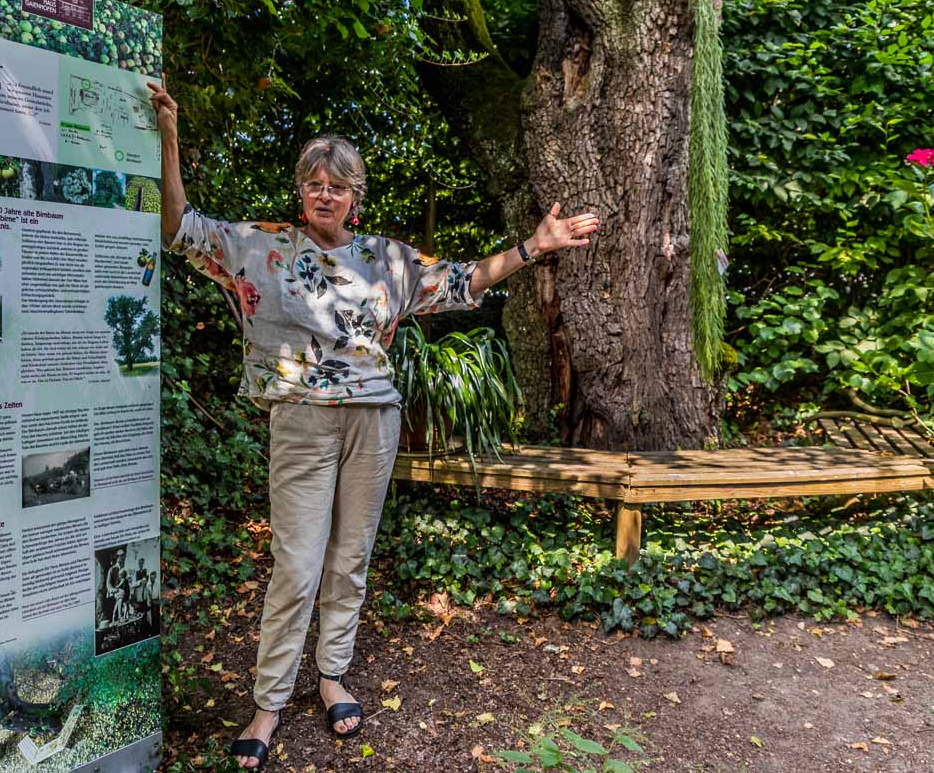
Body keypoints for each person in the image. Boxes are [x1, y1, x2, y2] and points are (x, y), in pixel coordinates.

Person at [148, 78, 601, 770]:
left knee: (349, 557)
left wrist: (534, 246)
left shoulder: (387, 258)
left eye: (337, 184)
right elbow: (177, 227)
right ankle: (269, 700)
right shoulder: (258, 247)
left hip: (375, 421)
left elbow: (465, 280)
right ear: (300, 191)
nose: (323, 193)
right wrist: (169, 137)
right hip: (300, 419)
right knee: (295, 566)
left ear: (356, 196)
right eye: (313, 183)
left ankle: (331, 674)